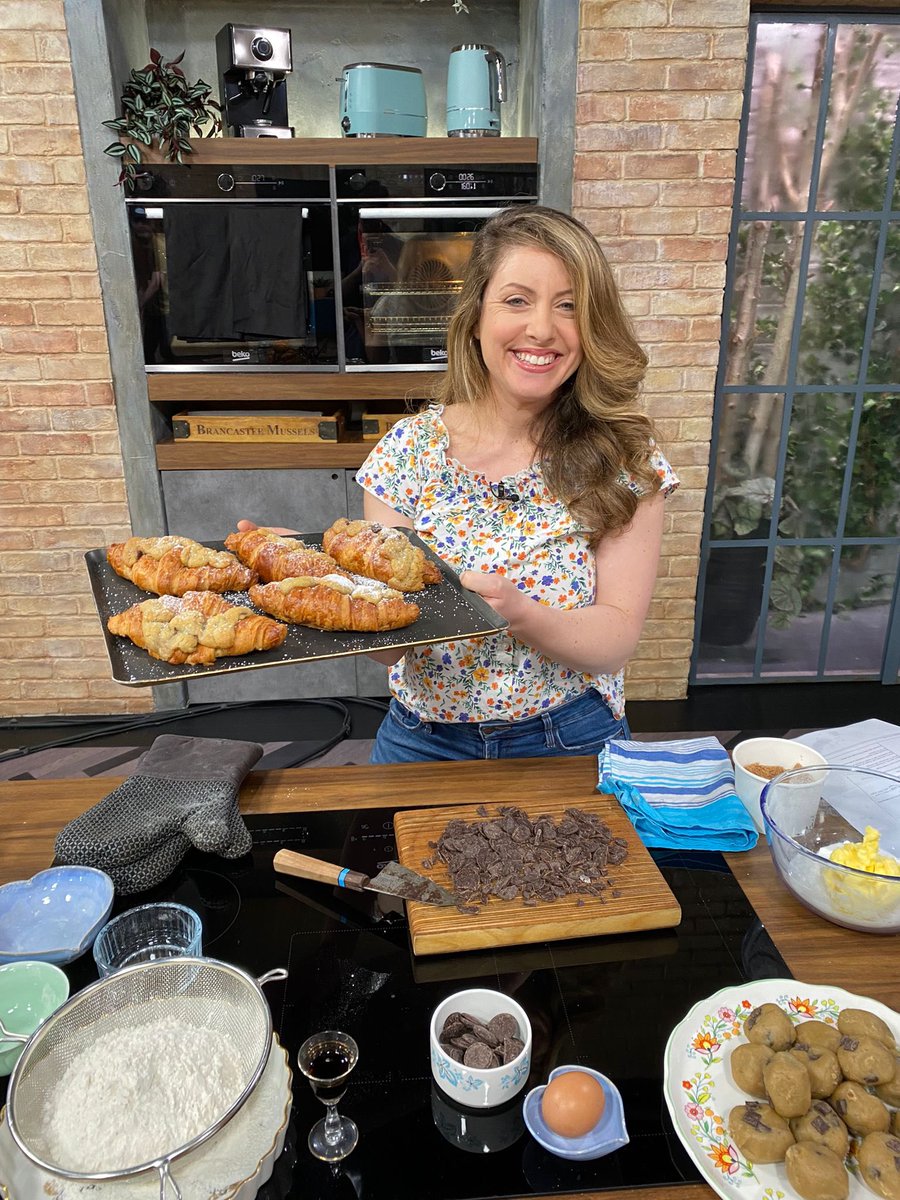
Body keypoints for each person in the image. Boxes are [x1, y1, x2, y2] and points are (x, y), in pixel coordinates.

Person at [354, 204, 679, 763]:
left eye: (569, 306)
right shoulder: (408, 453)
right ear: (476, 315)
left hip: (569, 735)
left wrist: (522, 613)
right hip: (421, 740)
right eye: (516, 299)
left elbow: (615, 641)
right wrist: (335, 585)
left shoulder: (626, 458)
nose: (541, 329)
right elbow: (387, 654)